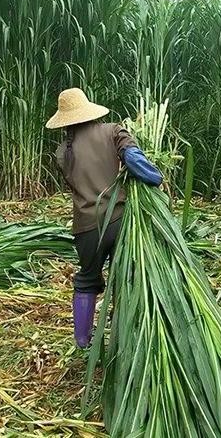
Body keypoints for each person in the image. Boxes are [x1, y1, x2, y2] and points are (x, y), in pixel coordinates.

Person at [46, 88, 162, 348]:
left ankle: (83, 342)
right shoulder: (112, 131)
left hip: (86, 228)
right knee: (123, 277)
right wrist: (156, 178)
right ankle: (122, 338)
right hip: (118, 220)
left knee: (87, 280)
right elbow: (134, 160)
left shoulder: (62, 152)